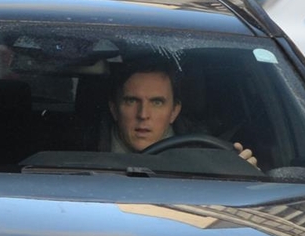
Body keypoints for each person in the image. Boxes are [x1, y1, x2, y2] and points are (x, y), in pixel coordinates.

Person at [107, 61, 255, 166]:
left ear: (174, 111)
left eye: (157, 102)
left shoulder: (209, 152)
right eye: (132, 101)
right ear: (114, 109)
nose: (143, 114)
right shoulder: (85, 147)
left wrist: (246, 175)